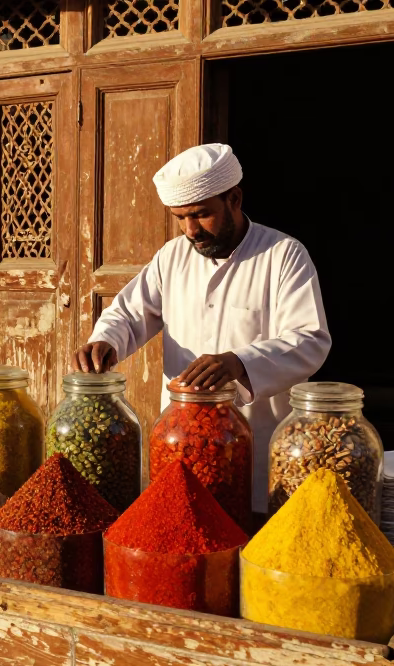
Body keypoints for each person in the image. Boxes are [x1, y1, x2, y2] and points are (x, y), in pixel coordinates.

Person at [72, 144, 331, 513]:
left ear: (235, 198)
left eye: (201, 214)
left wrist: (240, 361)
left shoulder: (283, 254)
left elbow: (310, 340)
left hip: (253, 440)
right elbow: (130, 312)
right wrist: (105, 340)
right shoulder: (173, 255)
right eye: (180, 217)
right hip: (183, 438)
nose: (191, 230)